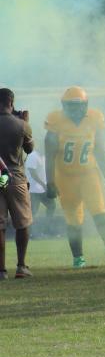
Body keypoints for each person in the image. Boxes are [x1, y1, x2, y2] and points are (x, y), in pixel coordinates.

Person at [44, 86, 105, 268]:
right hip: (65, 176)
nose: (74, 109)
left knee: (99, 210)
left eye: (78, 105)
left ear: (86, 105)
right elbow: (50, 155)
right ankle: (78, 258)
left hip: (89, 174)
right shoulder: (56, 122)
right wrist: (49, 182)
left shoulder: (94, 119)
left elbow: (100, 151)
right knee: (73, 219)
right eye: (70, 105)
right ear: (63, 105)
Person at [0, 88, 34, 279]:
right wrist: (25, 122)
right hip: (15, 178)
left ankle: (1, 270)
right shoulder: (21, 125)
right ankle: (21, 266)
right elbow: (29, 149)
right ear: (11, 102)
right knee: (22, 223)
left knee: (0, 225)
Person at [25, 147, 55, 237]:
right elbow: (32, 173)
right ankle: (30, 233)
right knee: (33, 212)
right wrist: (43, 184)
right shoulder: (32, 156)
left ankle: (46, 229)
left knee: (51, 206)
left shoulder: (44, 156)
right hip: (33, 189)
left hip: (42, 189)